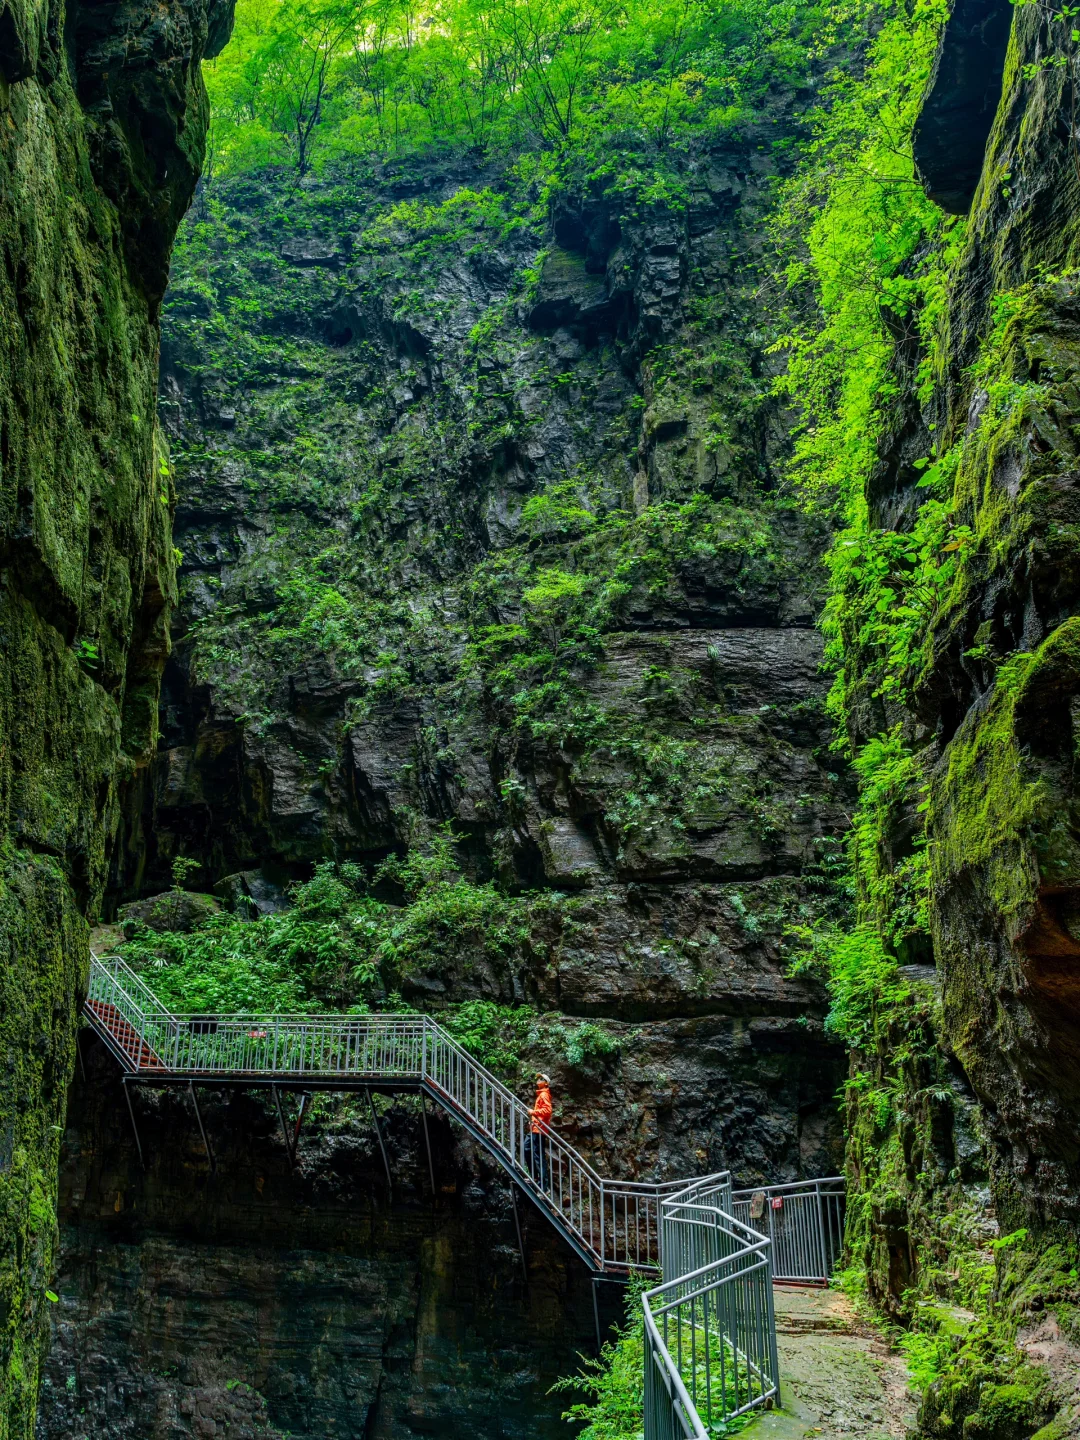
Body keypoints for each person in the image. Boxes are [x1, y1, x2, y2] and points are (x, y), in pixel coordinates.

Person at [524, 1072, 552, 1188]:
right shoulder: (541, 1095)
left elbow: (547, 1110)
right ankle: (535, 1176)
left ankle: (544, 1186)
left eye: (541, 1079)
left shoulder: (544, 1095)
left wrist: (533, 1112)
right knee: (527, 1148)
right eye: (538, 1078)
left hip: (539, 1130)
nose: (539, 1079)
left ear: (546, 1083)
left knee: (538, 1156)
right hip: (535, 1128)